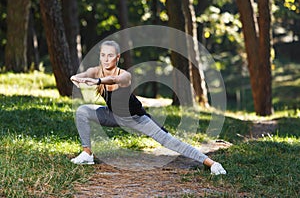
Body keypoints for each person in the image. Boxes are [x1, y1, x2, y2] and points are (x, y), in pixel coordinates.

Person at [70, 40, 226, 175]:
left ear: (117, 57)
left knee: (169, 141)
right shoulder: (96, 71)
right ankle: (87, 154)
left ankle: (211, 163)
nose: (106, 59)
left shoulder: (124, 75)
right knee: (82, 111)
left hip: (137, 119)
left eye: (110, 55)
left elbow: (113, 79)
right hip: (112, 116)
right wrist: (77, 78)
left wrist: (98, 82)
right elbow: (85, 74)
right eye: (103, 55)